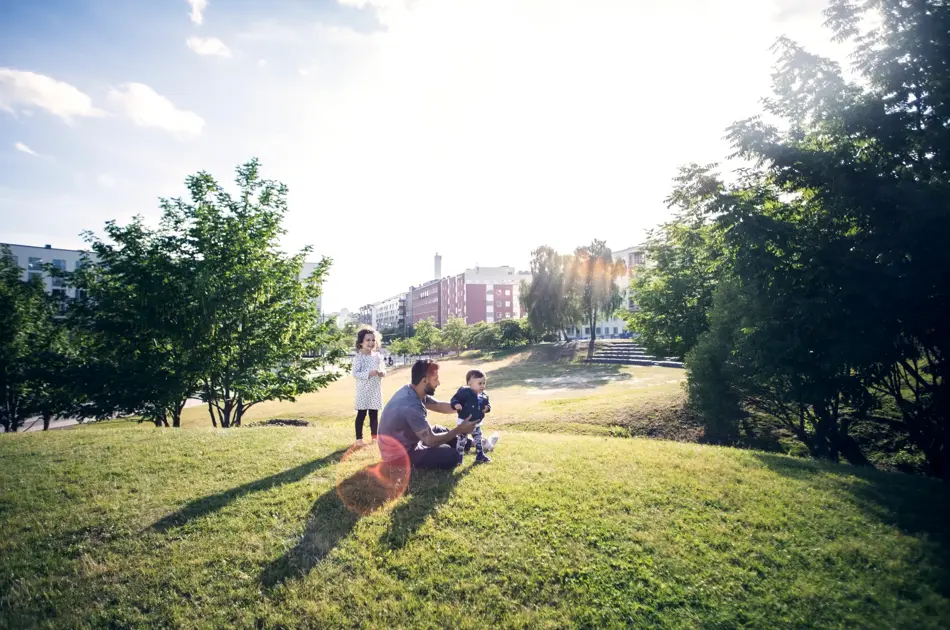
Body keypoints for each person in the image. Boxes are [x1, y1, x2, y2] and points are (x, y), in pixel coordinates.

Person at [378, 359, 478, 470]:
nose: (438, 383)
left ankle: (476, 443)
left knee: (439, 429)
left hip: (409, 441)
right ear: (424, 381)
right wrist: (460, 429)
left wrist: (464, 407)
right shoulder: (411, 405)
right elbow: (430, 440)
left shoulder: (412, 390)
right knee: (451, 455)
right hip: (398, 456)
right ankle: (461, 447)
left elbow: (439, 405)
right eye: (435, 379)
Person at [352, 327, 386, 444]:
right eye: (368, 340)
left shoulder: (377, 356)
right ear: (361, 342)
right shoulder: (359, 357)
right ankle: (359, 439)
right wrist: (368, 373)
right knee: (361, 414)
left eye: (373, 340)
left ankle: (374, 438)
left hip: (375, 390)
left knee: (374, 415)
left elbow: (383, 370)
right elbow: (355, 373)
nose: (371, 343)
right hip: (363, 391)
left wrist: (382, 373)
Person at [451, 370, 492, 464]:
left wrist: (487, 408)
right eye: (479, 383)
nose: (482, 386)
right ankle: (459, 457)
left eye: (484, 383)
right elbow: (455, 399)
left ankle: (480, 455)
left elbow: (488, 404)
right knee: (461, 441)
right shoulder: (464, 392)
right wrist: (456, 404)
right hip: (464, 423)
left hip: (476, 423)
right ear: (469, 384)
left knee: (478, 439)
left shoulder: (484, 396)